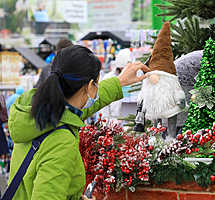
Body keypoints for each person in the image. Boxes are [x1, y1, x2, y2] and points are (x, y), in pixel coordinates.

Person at [8, 45, 150, 200]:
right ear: (90, 86)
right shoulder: (61, 141)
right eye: (97, 83)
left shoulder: (35, 112)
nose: (97, 89)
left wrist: (119, 82)